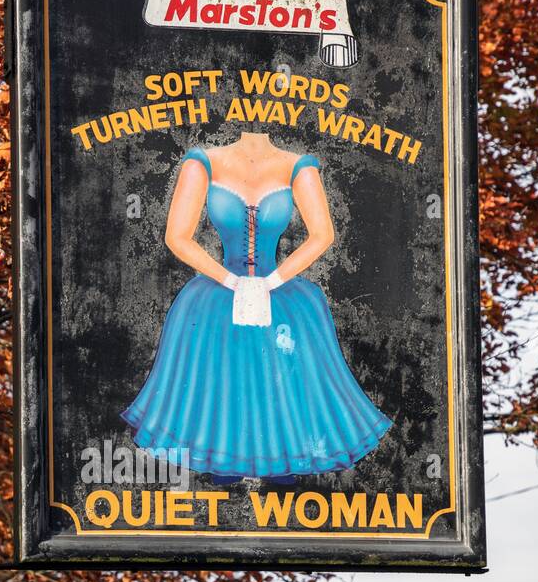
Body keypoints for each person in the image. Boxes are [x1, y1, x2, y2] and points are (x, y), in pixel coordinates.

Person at [121, 131, 392, 480]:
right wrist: (230, 281)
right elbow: (177, 236)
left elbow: (323, 234)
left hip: (277, 288)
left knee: (280, 376)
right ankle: (225, 461)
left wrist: (272, 282)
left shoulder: (299, 167)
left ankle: (278, 462)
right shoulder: (202, 162)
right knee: (226, 376)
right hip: (218, 289)